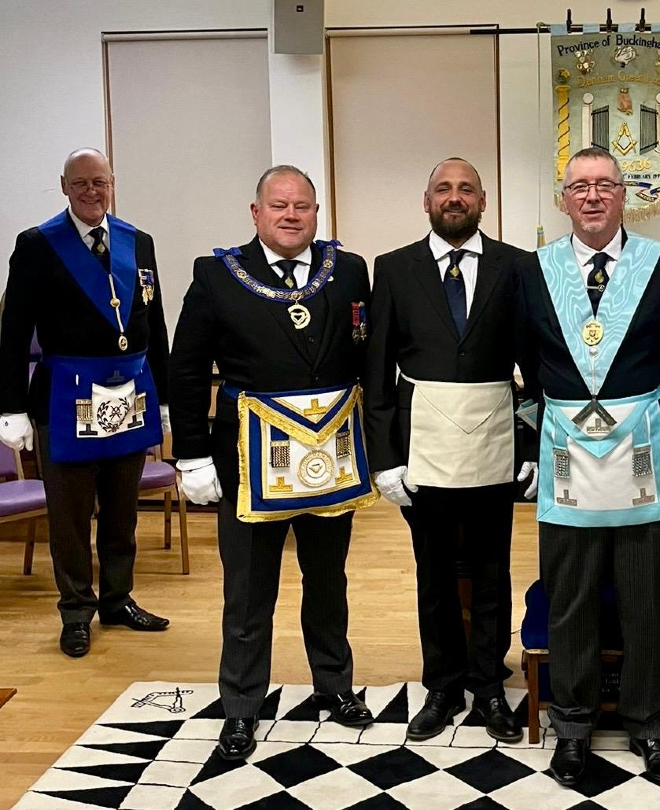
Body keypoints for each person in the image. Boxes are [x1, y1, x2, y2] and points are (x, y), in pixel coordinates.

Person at [169, 165, 377, 761]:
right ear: (256, 213)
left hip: (330, 457)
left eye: (302, 206)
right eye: (279, 205)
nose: (291, 215)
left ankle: (335, 686)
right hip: (247, 461)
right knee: (248, 591)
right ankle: (240, 706)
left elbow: (366, 358)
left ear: (317, 214)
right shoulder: (216, 275)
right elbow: (187, 369)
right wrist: (191, 454)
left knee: (328, 582)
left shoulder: (349, 270)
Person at [515, 147, 660, 785]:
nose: (592, 196)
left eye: (605, 185)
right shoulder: (533, 270)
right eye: (579, 187)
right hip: (565, 452)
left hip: (644, 452)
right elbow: (525, 362)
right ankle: (572, 724)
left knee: (648, 596)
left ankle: (648, 722)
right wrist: (531, 445)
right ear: (563, 199)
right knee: (570, 596)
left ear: (624, 195)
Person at [364, 158, 528, 743]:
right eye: (443, 189)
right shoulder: (394, 268)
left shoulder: (517, 266)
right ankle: (442, 685)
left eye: (465, 189)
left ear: (483, 201)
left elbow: (535, 363)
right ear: (426, 200)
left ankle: (489, 685)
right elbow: (377, 370)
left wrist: (533, 445)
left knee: (491, 570)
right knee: (432, 572)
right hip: (422, 445)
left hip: (495, 440)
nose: (454, 197)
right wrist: (384, 459)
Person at [0, 148, 170, 658]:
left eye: (100, 182)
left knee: (122, 509)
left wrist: (163, 398)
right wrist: (10, 407)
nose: (92, 192)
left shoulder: (138, 242)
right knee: (70, 514)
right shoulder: (37, 245)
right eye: (81, 183)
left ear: (112, 183)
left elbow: (154, 324)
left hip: (129, 393)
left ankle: (118, 599)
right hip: (65, 398)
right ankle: (76, 611)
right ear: (64, 186)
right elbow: (13, 334)